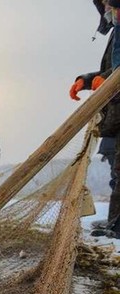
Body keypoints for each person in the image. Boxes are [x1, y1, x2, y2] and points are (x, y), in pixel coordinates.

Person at [73, 0, 120, 236]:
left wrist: (109, 80)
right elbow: (111, 71)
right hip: (115, 114)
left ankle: (117, 226)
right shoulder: (116, 34)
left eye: (109, 4)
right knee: (116, 172)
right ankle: (115, 223)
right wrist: (88, 80)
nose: (107, 9)